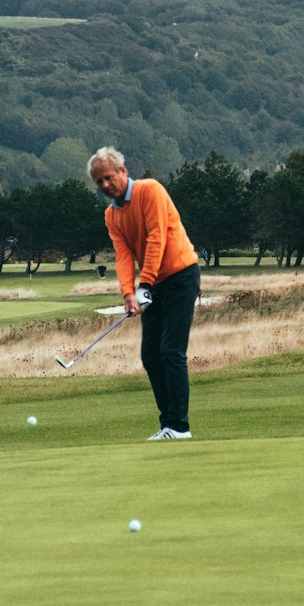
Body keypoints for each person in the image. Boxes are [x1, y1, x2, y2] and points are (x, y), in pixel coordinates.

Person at [89, 146, 201, 441]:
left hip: (180, 275)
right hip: (153, 284)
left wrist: (145, 284)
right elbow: (123, 255)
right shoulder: (111, 216)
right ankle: (168, 424)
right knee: (150, 355)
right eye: (98, 182)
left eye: (108, 177)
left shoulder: (150, 191)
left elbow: (156, 238)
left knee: (171, 351)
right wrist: (128, 293)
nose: (104, 185)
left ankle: (179, 426)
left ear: (123, 172)